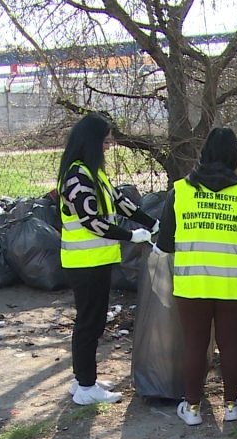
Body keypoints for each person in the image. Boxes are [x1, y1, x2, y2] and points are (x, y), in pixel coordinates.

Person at [156, 127, 237, 426]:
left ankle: (192, 408)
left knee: (195, 345)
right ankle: (231, 405)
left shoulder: (180, 192)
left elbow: (165, 244)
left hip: (192, 283)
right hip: (232, 284)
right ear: (234, 157)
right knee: (230, 344)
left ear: (204, 153)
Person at [57, 113, 157, 405]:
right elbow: (91, 221)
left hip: (96, 261)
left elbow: (120, 202)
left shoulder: (93, 174)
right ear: (91, 142)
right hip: (84, 264)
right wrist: (130, 236)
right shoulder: (76, 177)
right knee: (89, 323)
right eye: (104, 141)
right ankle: (86, 388)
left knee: (93, 321)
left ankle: (83, 379)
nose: (107, 147)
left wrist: (151, 222)